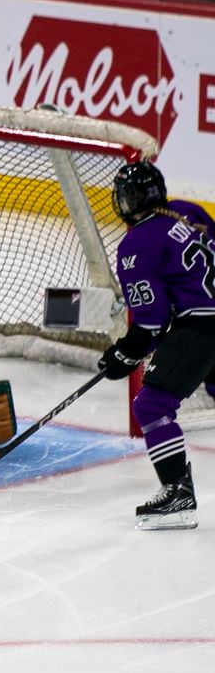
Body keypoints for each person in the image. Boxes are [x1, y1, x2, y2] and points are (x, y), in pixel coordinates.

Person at [99, 161, 215, 530]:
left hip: (201, 328)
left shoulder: (136, 243)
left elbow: (150, 318)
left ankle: (177, 493)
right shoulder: (189, 211)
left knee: (152, 406)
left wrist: (123, 353)